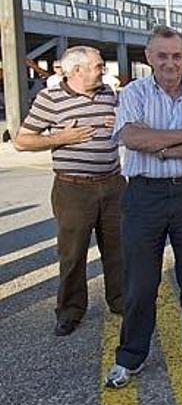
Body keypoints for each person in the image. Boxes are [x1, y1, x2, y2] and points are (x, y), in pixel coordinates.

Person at [104, 26, 182, 388]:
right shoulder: (133, 93)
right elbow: (132, 137)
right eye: (163, 55)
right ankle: (132, 355)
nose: (171, 63)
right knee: (140, 281)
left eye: (177, 56)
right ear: (149, 57)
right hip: (144, 195)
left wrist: (163, 149)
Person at [14, 46, 124, 336]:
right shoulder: (50, 99)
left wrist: (121, 123)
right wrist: (63, 137)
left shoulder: (110, 94)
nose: (104, 70)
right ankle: (70, 311)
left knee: (118, 249)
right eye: (99, 66)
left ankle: (121, 301)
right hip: (73, 188)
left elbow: (130, 126)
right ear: (78, 71)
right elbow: (22, 140)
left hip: (113, 185)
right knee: (73, 254)